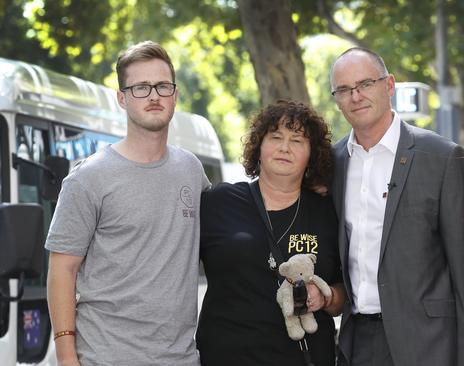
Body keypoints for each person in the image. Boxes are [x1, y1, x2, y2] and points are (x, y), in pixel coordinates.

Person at [45, 41, 209, 366]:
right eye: (140, 87)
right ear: (122, 98)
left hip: (182, 359)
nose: (153, 96)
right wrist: (66, 357)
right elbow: (62, 269)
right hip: (105, 357)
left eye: (163, 86)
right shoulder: (88, 177)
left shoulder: (191, 169)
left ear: (174, 94)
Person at [329, 47, 464, 366]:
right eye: (344, 90)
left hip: (428, 344)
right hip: (355, 341)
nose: (356, 96)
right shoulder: (331, 163)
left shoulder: (442, 158)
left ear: (389, 85)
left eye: (365, 84)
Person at [197, 100, 345, 366]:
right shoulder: (219, 201)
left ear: (312, 153)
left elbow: (345, 294)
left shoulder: (328, 212)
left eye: (297, 140)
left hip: (304, 357)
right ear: (259, 146)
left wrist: (325, 297)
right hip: (227, 356)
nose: (284, 147)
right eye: (275, 137)